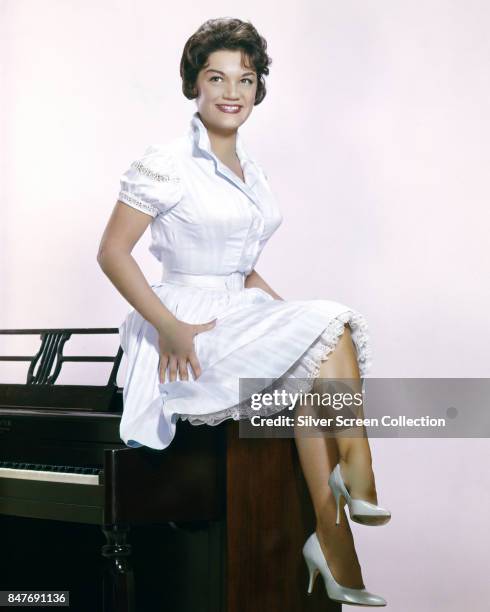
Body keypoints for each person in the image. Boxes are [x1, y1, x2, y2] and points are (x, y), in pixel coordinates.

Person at [97, 17, 391, 608]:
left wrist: (297, 323)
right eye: (217, 78)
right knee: (325, 328)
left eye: (246, 79)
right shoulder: (166, 161)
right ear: (194, 87)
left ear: (258, 90)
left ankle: (333, 546)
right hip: (184, 321)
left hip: (240, 310)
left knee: (318, 348)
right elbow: (112, 252)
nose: (232, 91)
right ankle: (355, 478)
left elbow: (244, 269)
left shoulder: (252, 174)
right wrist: (169, 327)